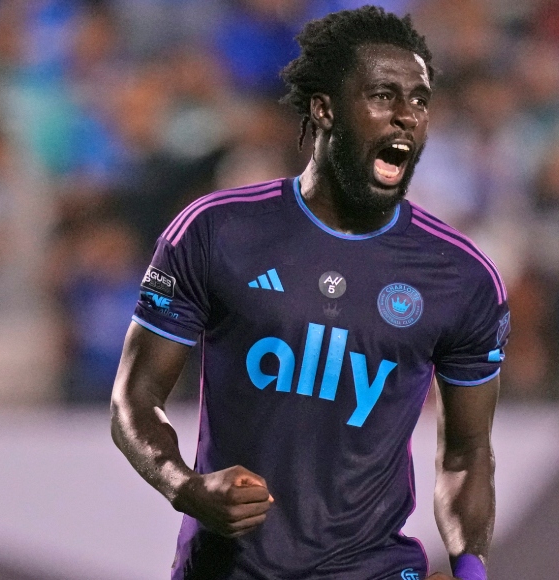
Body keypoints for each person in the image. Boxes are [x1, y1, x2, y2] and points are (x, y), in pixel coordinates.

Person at [110, 7, 506, 580]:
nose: (405, 117)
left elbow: (468, 454)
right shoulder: (215, 232)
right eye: (382, 95)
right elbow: (134, 398)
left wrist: (471, 574)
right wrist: (187, 487)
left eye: (419, 101)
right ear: (324, 109)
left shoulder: (462, 277)